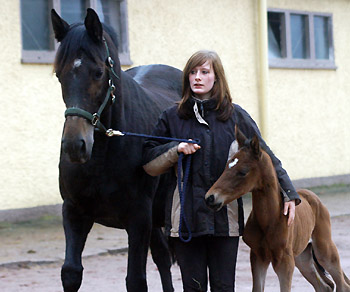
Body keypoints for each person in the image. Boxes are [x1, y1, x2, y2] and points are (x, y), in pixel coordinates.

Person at [142, 50, 300, 292]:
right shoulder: (172, 116)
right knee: (193, 287)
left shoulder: (236, 116)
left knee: (224, 287)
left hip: (226, 222)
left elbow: (265, 156)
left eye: (204, 72)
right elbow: (148, 160)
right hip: (185, 219)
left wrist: (289, 193)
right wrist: (176, 149)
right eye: (192, 72)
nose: (197, 77)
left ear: (217, 78)